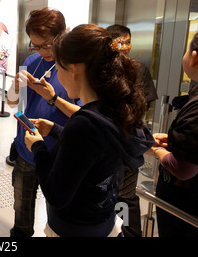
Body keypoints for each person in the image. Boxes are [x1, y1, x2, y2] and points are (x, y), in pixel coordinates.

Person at [24, 24, 154, 237]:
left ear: (73, 70)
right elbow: (92, 151)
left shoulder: (84, 125)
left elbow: (56, 194)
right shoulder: (114, 109)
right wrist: (57, 130)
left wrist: (37, 147)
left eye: (58, 67)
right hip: (104, 223)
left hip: (72, 229)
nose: (57, 73)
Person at [5, 8, 81, 237]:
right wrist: (16, 87)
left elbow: (84, 116)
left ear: (64, 34)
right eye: (36, 45)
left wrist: (53, 98)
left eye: (47, 45)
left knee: (56, 213)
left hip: (59, 155)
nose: (43, 51)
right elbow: (11, 102)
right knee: (21, 208)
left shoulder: (76, 68)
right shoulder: (32, 61)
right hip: (26, 149)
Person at [106, 24, 158, 237]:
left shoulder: (138, 69)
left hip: (128, 142)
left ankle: (128, 233)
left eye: (128, 41)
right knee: (105, 193)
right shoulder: (103, 70)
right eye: (120, 42)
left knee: (126, 198)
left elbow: (142, 106)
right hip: (107, 141)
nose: (125, 46)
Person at [148, 33, 198, 237]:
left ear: (194, 57)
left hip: (186, 206)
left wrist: (157, 150)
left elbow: (183, 168)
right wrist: (174, 143)